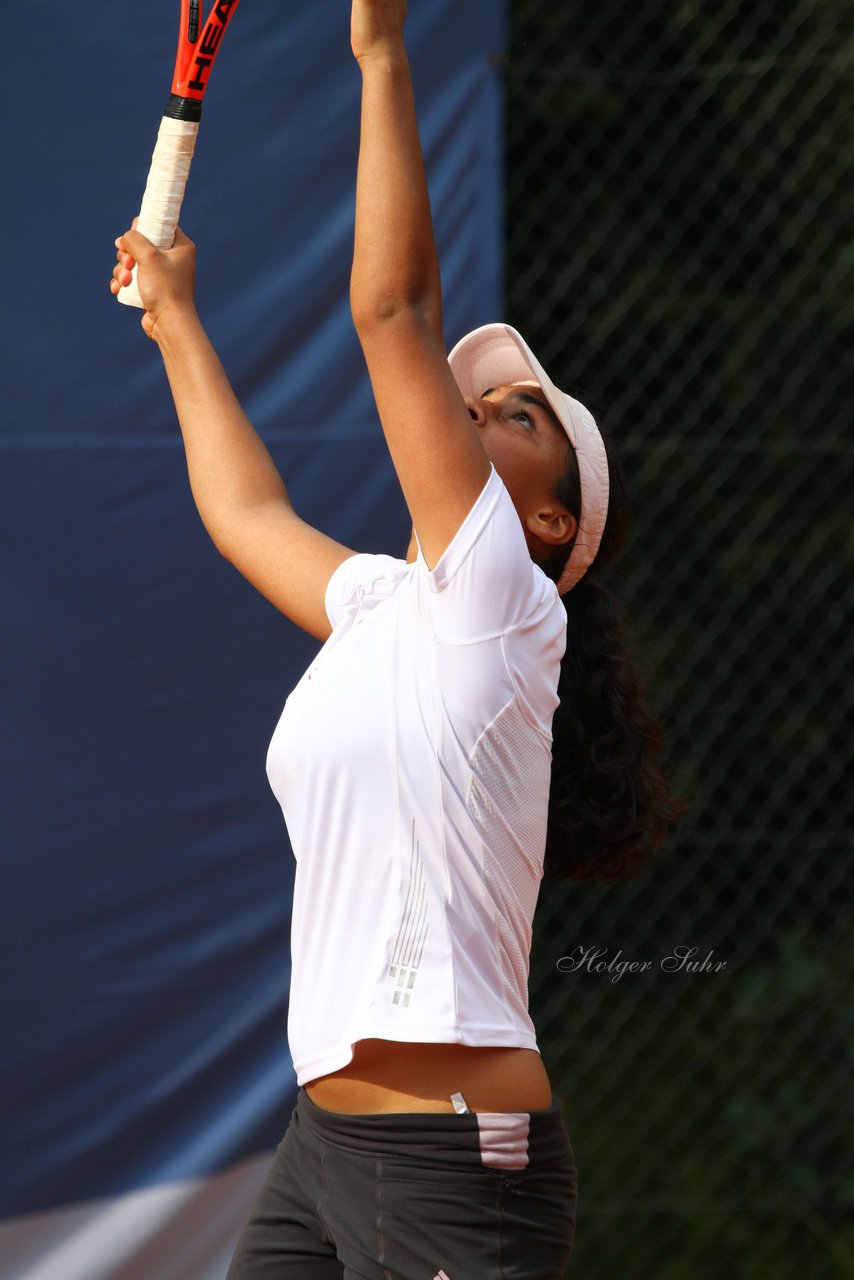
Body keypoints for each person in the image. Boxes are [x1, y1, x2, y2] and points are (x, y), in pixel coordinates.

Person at [111, 2, 682, 1275]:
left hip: (448, 1151)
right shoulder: (386, 605)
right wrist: (177, 321)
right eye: (486, 389)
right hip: (326, 1135)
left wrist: (379, 54)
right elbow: (246, 512)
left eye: (521, 408)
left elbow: (391, 312)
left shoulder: (504, 601)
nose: (485, 395)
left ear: (547, 518)